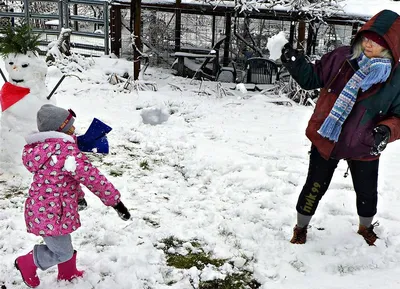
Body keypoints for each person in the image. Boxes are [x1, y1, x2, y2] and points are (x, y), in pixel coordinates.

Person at [281, 9, 400, 246]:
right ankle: (301, 226)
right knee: (314, 185)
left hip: (365, 143)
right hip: (328, 138)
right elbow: (312, 78)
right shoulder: (341, 58)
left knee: (367, 192)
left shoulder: (396, 78)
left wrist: (386, 131)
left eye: (376, 43)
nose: (368, 45)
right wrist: (295, 64)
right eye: (366, 38)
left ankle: (365, 227)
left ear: (390, 47)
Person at [14, 104, 131, 288]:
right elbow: (93, 178)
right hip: (51, 212)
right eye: (70, 127)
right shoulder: (66, 152)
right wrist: (115, 202)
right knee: (62, 252)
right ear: (61, 130)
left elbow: (62, 180)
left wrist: (78, 197)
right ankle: (27, 263)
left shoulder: (46, 149)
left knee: (63, 242)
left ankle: (67, 273)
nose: (74, 130)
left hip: (48, 209)